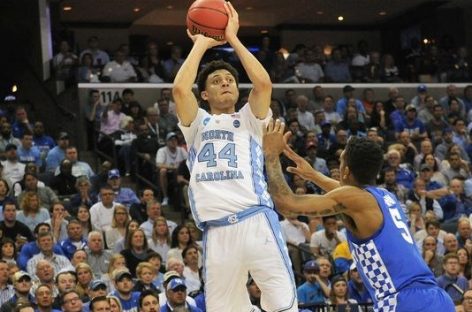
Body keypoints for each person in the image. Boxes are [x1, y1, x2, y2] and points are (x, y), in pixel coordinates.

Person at [172, 3, 296, 311]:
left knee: (283, 306)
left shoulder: (250, 119)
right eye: (216, 81)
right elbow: (178, 89)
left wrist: (233, 38)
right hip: (216, 232)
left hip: (255, 219)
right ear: (204, 95)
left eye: (229, 79)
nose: (225, 82)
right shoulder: (198, 124)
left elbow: (264, 84)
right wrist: (201, 42)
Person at [262, 120, 455, 311]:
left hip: (403, 301)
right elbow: (347, 193)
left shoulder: (355, 199)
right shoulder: (385, 197)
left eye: (341, 161)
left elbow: (287, 205)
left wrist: (270, 155)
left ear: (345, 170)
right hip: (437, 298)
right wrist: (313, 175)